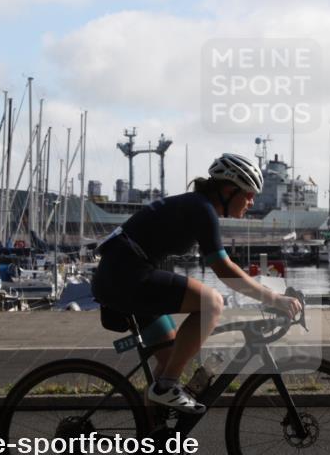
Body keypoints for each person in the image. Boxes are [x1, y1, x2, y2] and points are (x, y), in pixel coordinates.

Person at [91, 153, 302, 413]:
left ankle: (153, 442)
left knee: (169, 362)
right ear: (228, 190)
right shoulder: (201, 209)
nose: (251, 201)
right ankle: (166, 388)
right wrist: (274, 298)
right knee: (211, 302)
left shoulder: (197, 205)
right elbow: (224, 269)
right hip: (126, 277)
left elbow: (226, 268)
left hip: (121, 276)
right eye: (248, 194)